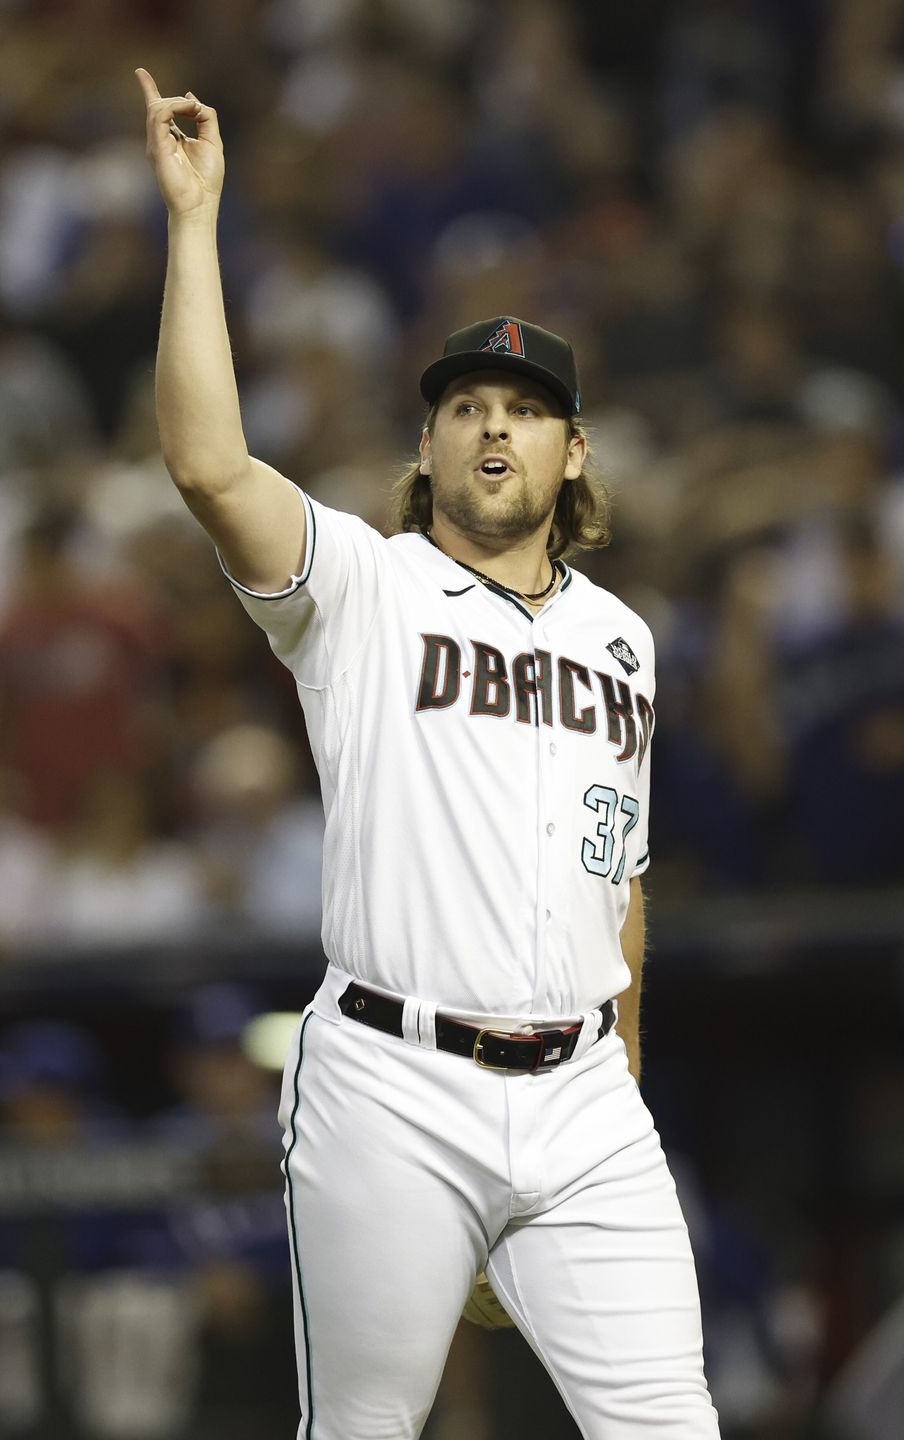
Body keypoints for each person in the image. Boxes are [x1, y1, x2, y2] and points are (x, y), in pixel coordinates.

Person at [136, 68, 722, 1440]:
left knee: (673, 1424)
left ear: (573, 453)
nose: (494, 423)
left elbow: (618, 876)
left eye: (522, 406)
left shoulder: (628, 639)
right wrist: (193, 224)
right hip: (393, 1085)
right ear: (428, 443)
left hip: (586, 1095)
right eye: (466, 405)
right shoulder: (365, 584)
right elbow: (212, 466)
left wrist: (615, 1080)